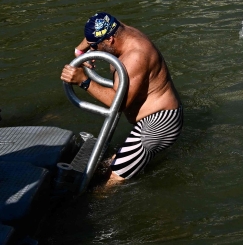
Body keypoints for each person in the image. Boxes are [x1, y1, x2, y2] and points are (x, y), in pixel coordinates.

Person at [61, 13, 182, 185]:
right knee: (106, 166)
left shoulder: (135, 57)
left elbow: (118, 104)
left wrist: (84, 81)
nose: (93, 50)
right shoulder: (117, 28)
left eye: (96, 46)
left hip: (160, 123)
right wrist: (80, 52)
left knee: (111, 181)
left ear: (109, 40)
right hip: (150, 119)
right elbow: (94, 29)